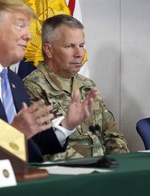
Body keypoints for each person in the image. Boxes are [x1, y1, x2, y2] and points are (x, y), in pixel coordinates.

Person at [0, 0, 97, 170]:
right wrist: (11, 134)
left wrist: (67, 125)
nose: (29, 35)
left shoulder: (12, 79)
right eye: (20, 26)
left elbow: (32, 142)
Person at [23, 14, 129, 161]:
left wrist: (121, 164)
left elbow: (112, 134)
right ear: (49, 50)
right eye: (69, 46)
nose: (79, 54)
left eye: (81, 46)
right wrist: (93, 166)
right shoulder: (33, 87)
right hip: (69, 174)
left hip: (103, 170)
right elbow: (45, 147)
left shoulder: (87, 85)